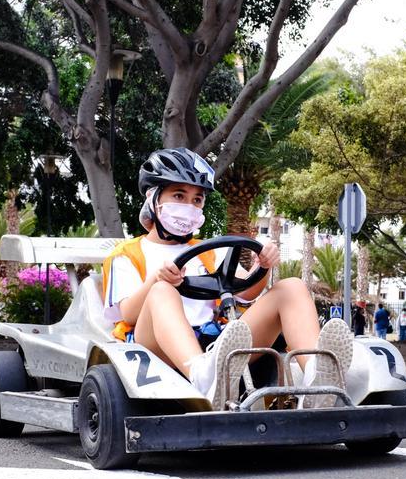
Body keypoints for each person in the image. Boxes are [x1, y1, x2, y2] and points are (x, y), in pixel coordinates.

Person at [103, 147, 353, 408]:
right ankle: (202, 377)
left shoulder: (210, 250)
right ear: (154, 198)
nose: (190, 206)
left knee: (291, 287)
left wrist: (262, 267)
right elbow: (128, 314)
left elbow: (244, 294)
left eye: (197, 200)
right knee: (163, 292)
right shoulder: (127, 254)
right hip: (154, 349)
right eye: (179, 195)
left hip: (215, 346)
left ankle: (317, 379)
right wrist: (157, 279)